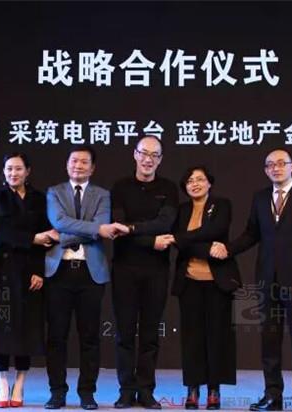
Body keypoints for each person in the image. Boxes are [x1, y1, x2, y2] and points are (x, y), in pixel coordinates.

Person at [224, 149, 292, 412]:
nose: (276, 168)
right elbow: (251, 234)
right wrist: (228, 249)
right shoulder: (260, 198)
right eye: (270, 165)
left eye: (281, 163)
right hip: (267, 280)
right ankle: (272, 395)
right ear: (266, 170)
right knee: (270, 340)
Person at [44, 145, 127, 410]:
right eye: (74, 161)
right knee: (56, 337)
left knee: (89, 337)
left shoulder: (102, 195)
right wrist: (94, 230)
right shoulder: (54, 192)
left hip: (91, 273)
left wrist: (62, 236)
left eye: (83, 162)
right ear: (67, 164)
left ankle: (87, 393)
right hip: (58, 272)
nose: (78, 166)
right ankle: (57, 392)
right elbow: (59, 220)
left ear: (92, 168)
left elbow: (97, 228)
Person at [0, 152, 56, 408]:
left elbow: (47, 237)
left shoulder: (40, 199)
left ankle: (20, 383)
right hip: (1, 269)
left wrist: (39, 270)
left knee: (26, 329)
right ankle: (2, 383)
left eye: (18, 168)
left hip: (29, 270)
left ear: (28, 171)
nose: (13, 173)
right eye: (9, 168)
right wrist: (32, 238)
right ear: (3, 171)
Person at [110, 136, 179, 409]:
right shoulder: (120, 187)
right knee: (124, 333)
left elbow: (165, 222)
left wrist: (133, 228)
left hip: (156, 270)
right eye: (144, 153)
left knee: (150, 334)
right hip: (124, 268)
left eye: (155, 155)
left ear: (160, 160)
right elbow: (118, 227)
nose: (148, 159)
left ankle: (146, 390)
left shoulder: (168, 188)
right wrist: (150, 240)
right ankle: (126, 390)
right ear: (135, 154)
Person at [164, 166, 241, 410]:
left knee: (217, 336)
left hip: (218, 282)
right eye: (190, 181)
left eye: (200, 179)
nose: (195, 184)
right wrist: (207, 248)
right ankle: (193, 389)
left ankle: (214, 390)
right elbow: (180, 243)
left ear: (209, 183)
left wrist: (183, 238)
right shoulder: (181, 210)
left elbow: (216, 230)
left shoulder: (222, 205)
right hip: (189, 281)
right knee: (192, 338)